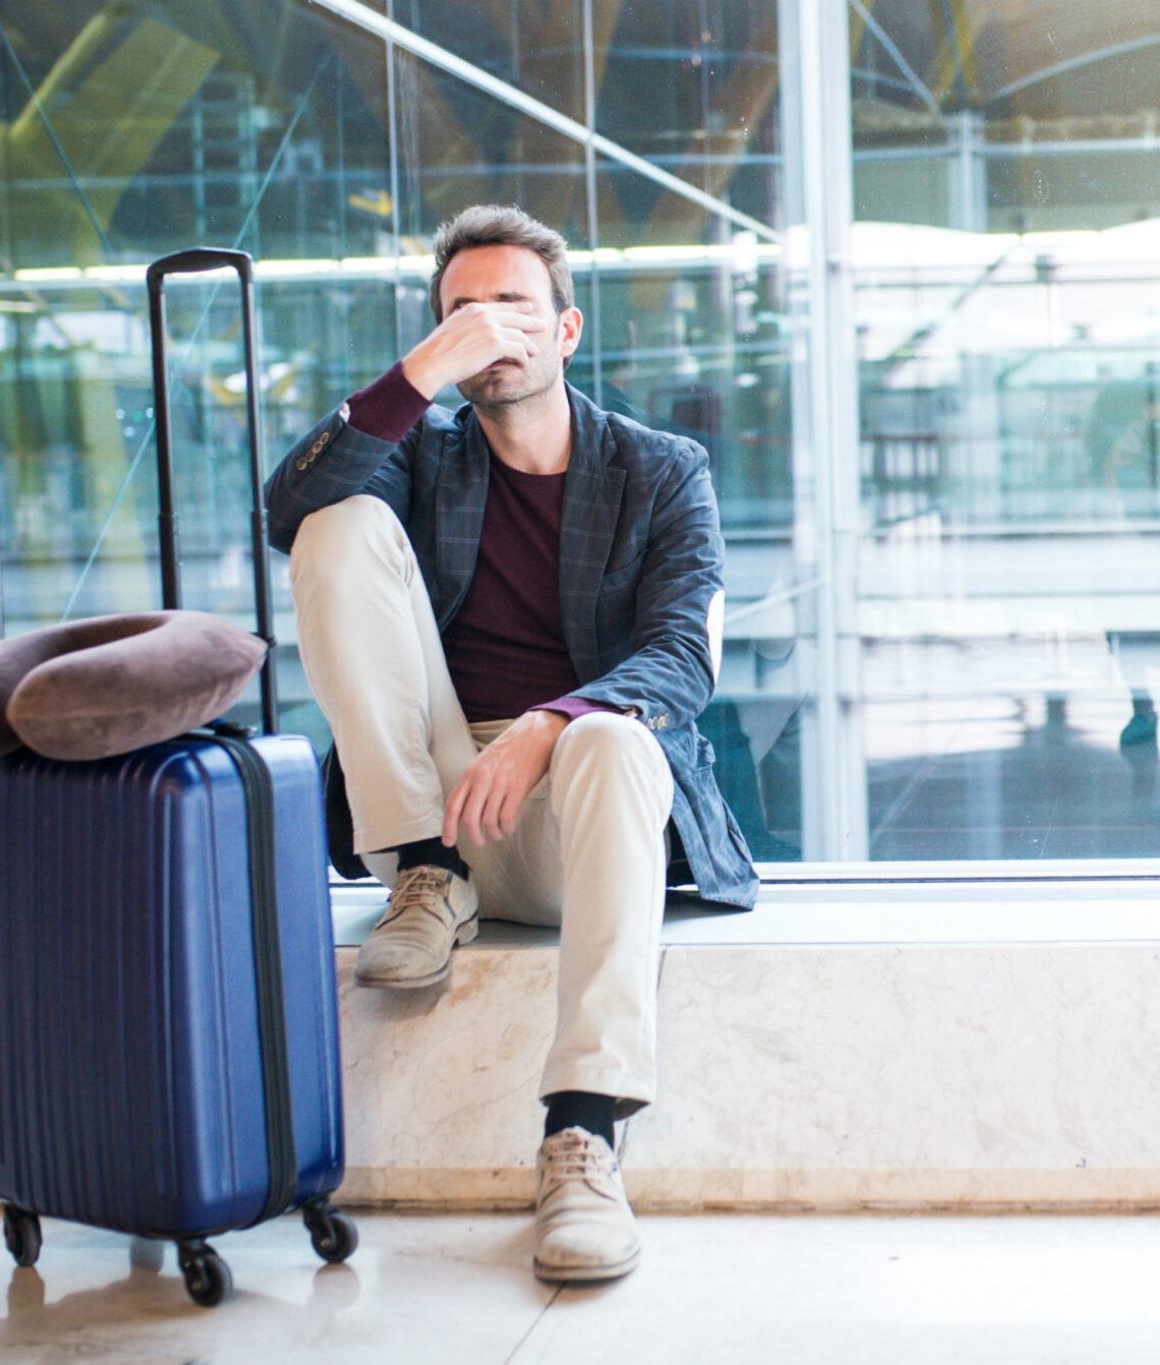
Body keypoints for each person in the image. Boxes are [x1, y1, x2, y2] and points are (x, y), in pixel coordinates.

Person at [264, 204, 757, 1284]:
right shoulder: (419, 462)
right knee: (334, 523)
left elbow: (683, 658)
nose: (488, 328)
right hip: (433, 809)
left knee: (620, 741)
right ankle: (428, 878)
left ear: (567, 330)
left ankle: (581, 1139)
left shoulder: (661, 470)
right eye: (460, 313)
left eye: (511, 308)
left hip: (582, 817)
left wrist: (547, 724)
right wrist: (420, 373)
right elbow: (288, 508)